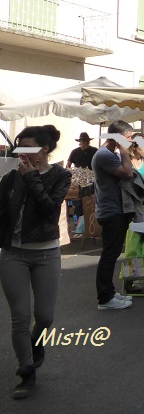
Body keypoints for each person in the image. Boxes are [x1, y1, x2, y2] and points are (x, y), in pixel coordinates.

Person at [0, 125, 71, 399]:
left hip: (46, 253)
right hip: (13, 254)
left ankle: (35, 342)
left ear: (43, 149)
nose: (21, 153)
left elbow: (49, 210)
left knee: (44, 316)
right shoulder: (9, 178)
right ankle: (26, 372)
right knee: (19, 317)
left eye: (26, 147)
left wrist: (32, 178)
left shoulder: (60, 175)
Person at [92, 120, 135, 310]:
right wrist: (125, 152)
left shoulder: (109, 154)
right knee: (109, 254)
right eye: (128, 138)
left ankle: (109, 292)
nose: (131, 141)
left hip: (115, 209)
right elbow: (127, 173)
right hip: (111, 211)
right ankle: (105, 297)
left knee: (113, 253)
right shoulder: (103, 155)